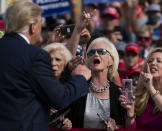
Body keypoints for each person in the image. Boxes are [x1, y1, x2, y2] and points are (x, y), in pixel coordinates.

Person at [0, 1, 91, 131]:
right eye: (40, 25)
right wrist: (80, 77)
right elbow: (59, 98)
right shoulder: (34, 55)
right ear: (32, 26)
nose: (40, 30)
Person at [119, 48, 162, 131]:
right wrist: (130, 112)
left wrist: (151, 89)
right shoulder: (139, 94)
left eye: (158, 61)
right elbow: (131, 128)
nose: (153, 63)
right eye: (150, 61)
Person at [68, 37, 125, 130]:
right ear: (87, 60)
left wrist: (116, 127)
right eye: (91, 52)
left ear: (111, 60)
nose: (95, 54)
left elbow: (128, 126)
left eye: (101, 51)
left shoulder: (118, 93)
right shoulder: (78, 88)